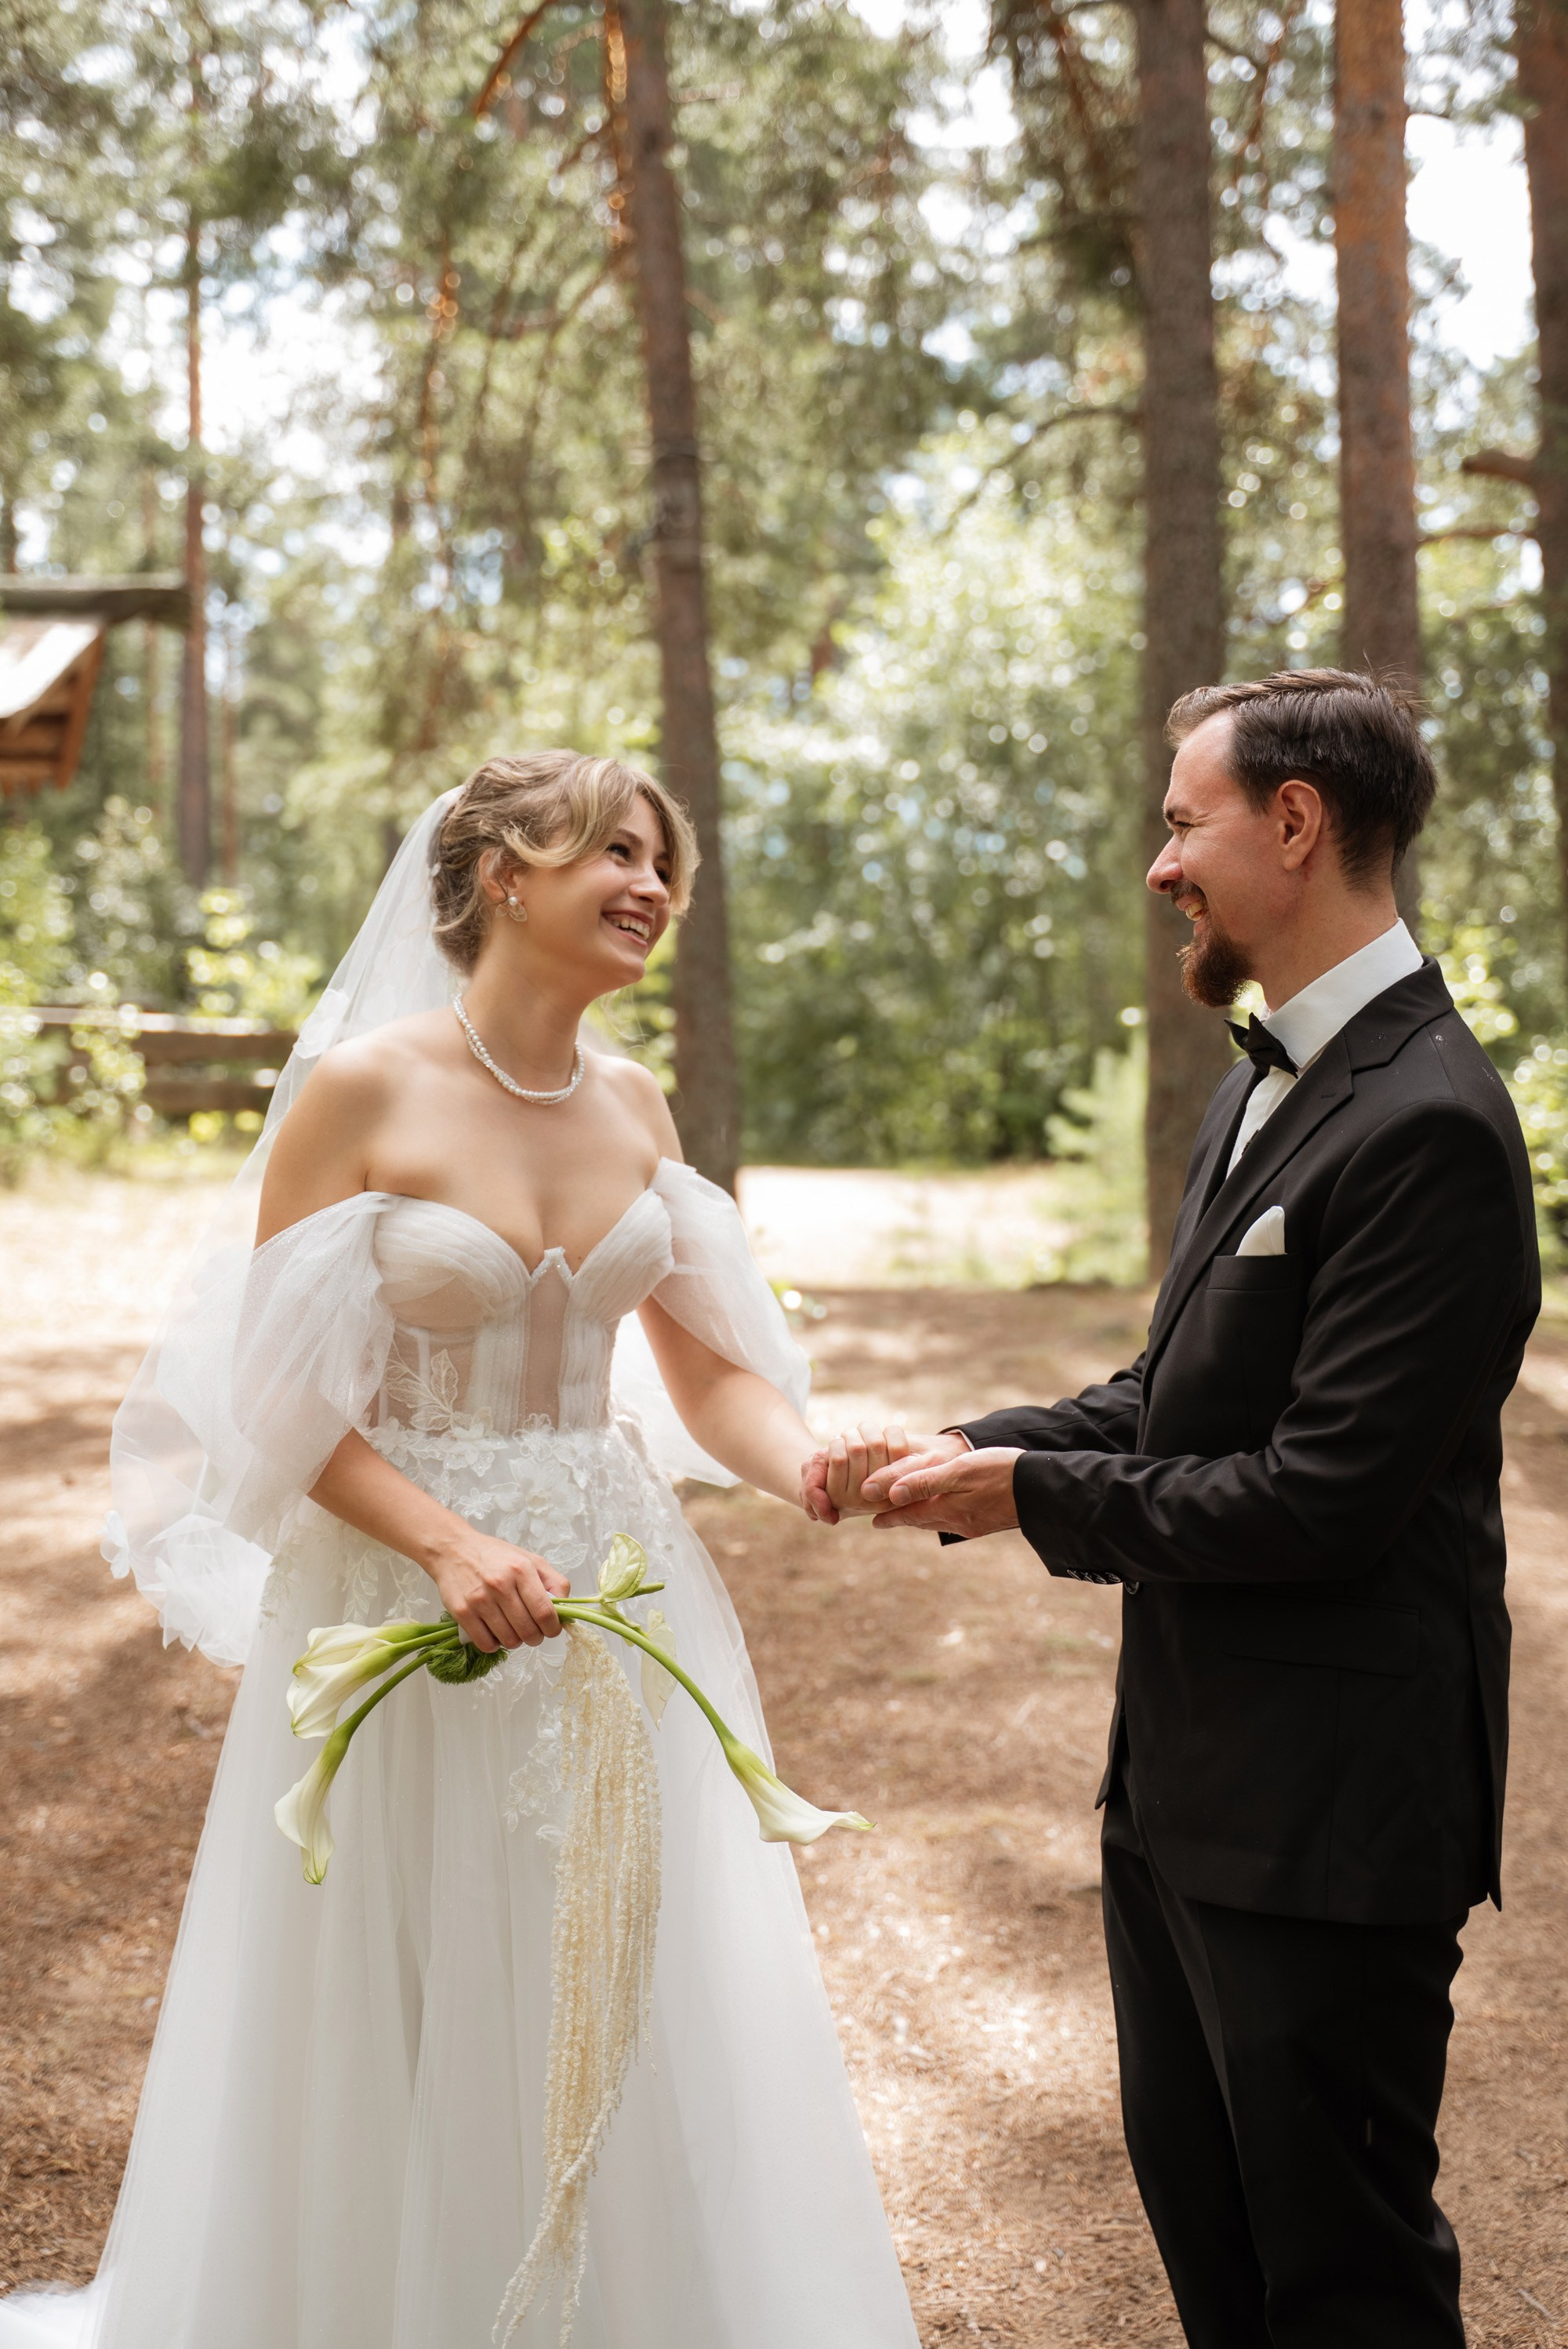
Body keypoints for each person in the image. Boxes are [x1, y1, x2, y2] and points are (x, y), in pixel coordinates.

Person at [1, 753, 917, 2349]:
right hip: (399, 1591)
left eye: (662, 863)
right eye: (614, 852)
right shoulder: (363, 1088)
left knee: (626, 1955)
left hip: (612, 1588)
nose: (652, 884)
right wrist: (443, 1544)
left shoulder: (636, 1102)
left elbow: (704, 1370)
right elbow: (274, 1394)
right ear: (502, 871)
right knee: (402, 1968)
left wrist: (813, 1469)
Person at [808, 671, 1540, 2349]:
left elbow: (1321, 1497)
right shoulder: (1259, 1079)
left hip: (1330, 1822)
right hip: (1184, 1793)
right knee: (1220, 2263)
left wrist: (1027, 1494)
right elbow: (1176, 1397)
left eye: (1182, 820)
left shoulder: (1429, 1120)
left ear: (1293, 823)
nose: (1161, 865)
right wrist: (957, 1443)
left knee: (1338, 2282)